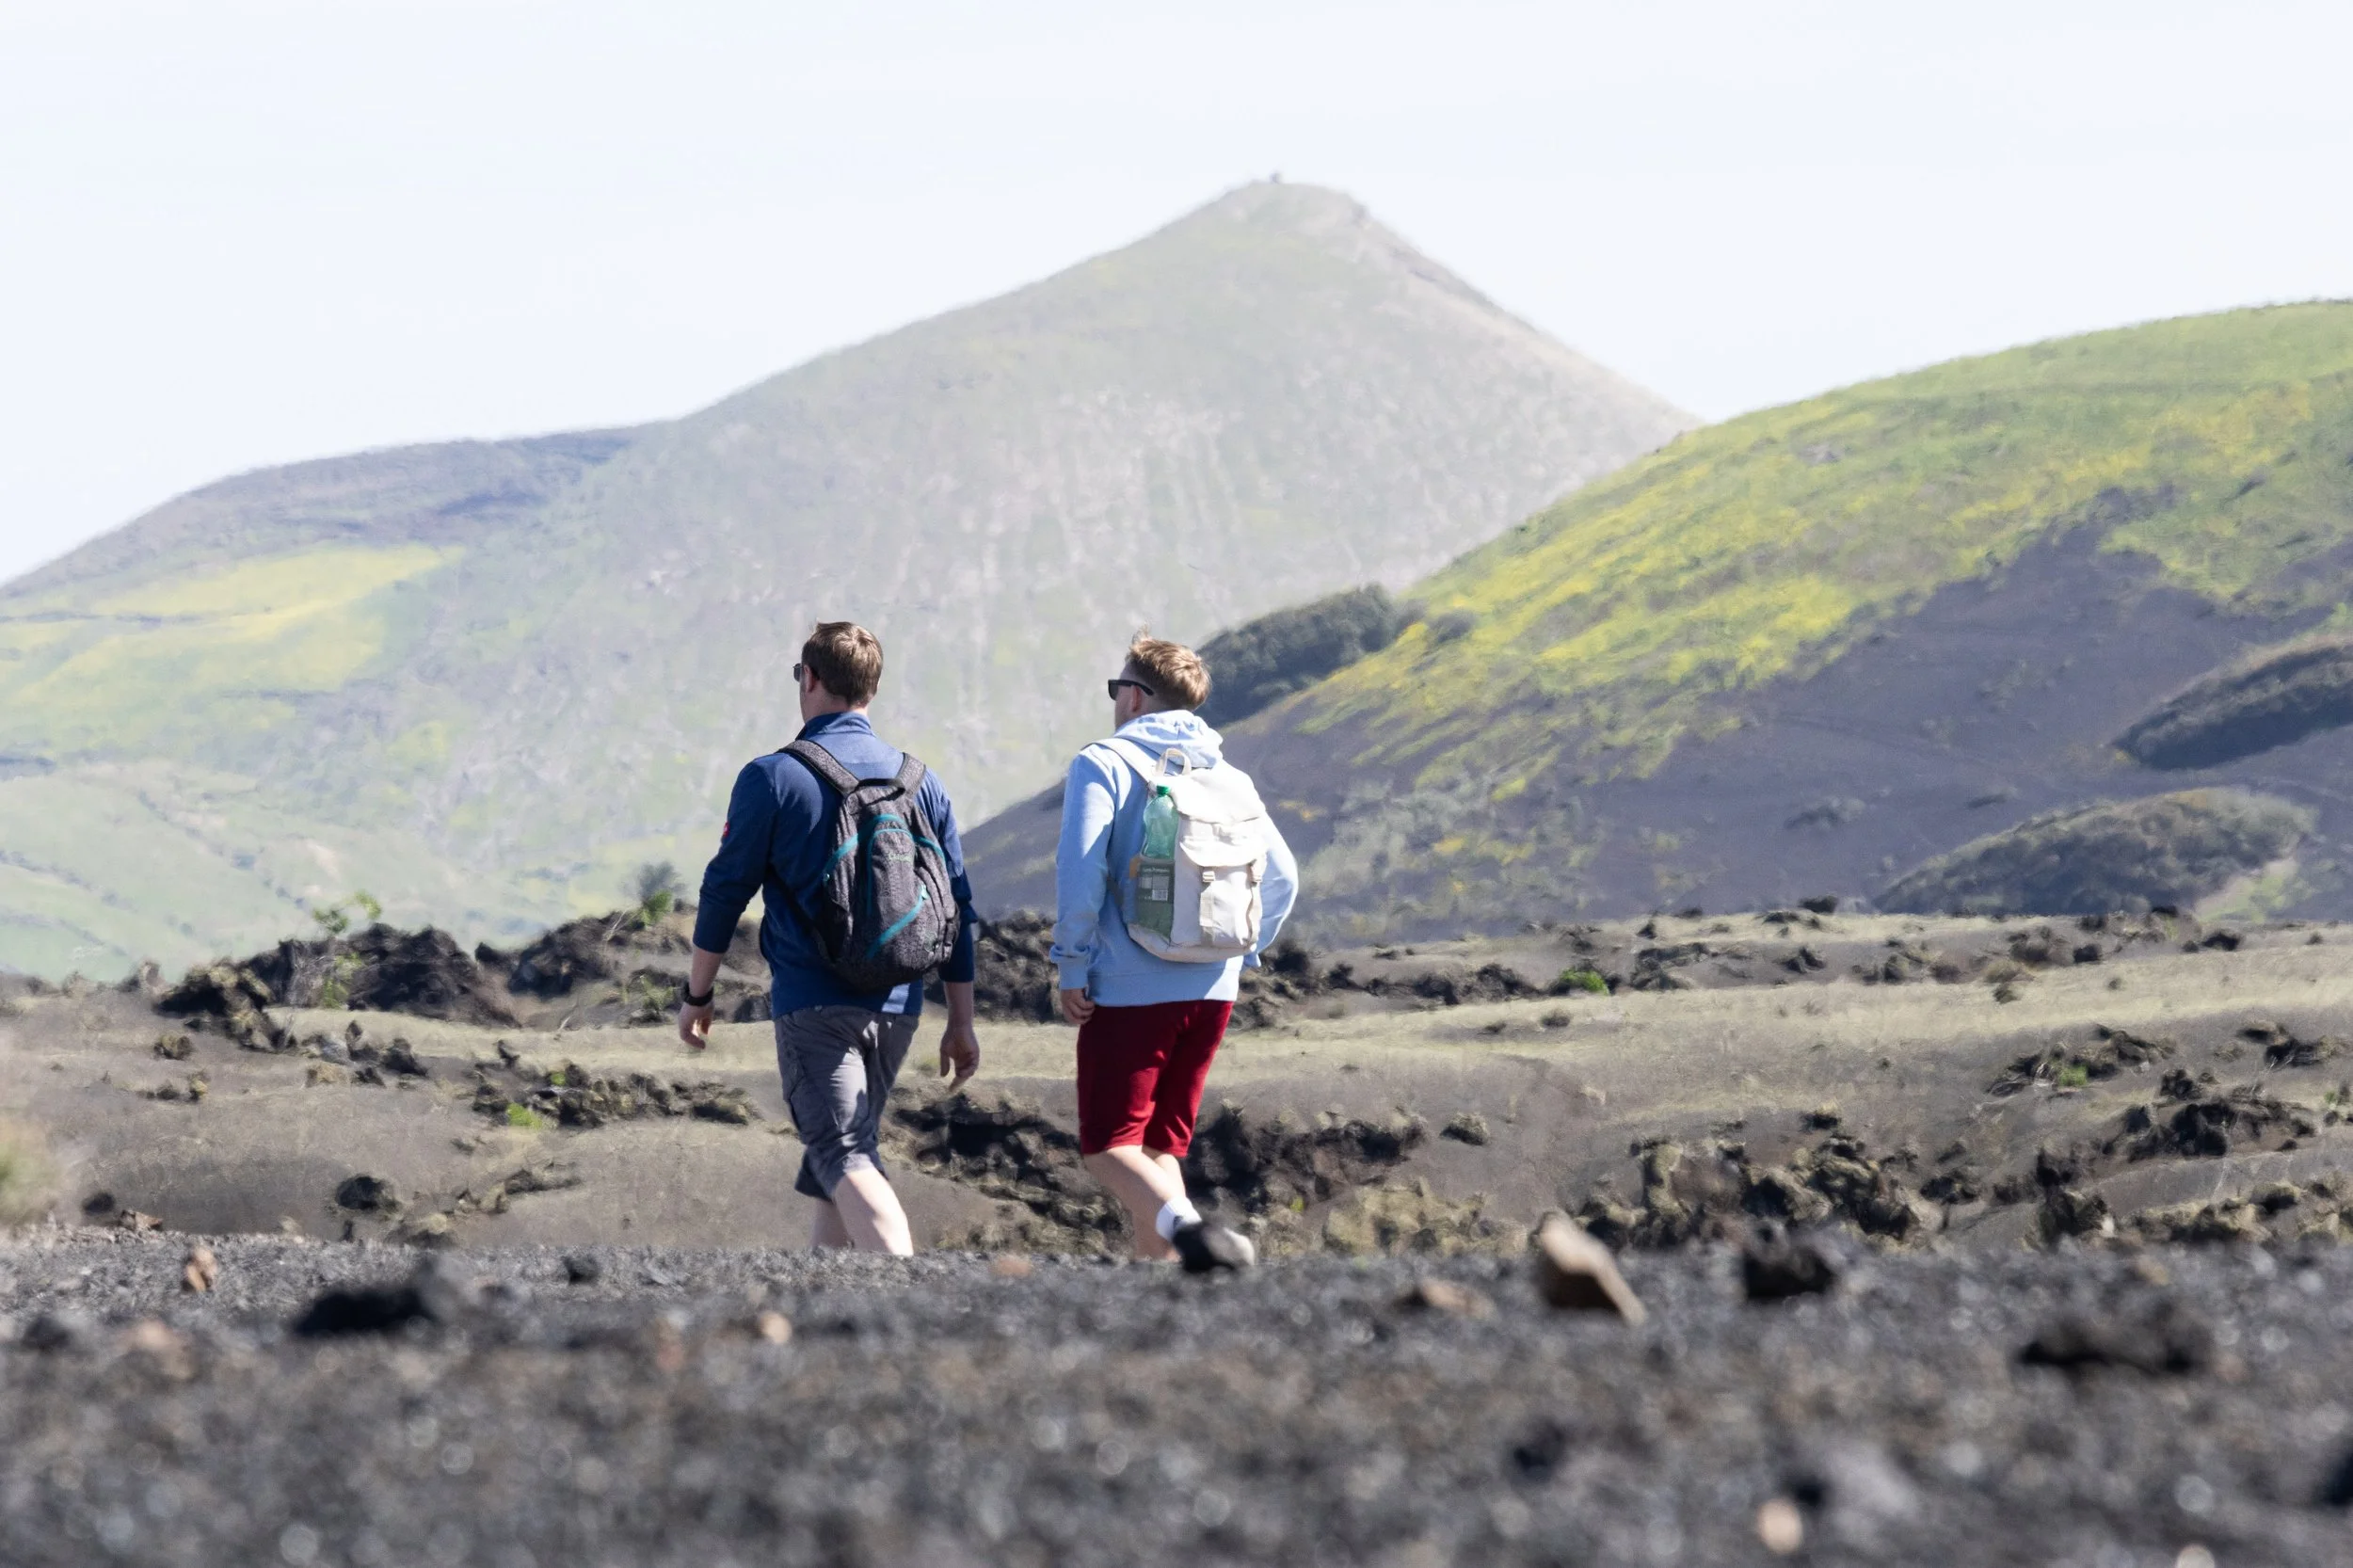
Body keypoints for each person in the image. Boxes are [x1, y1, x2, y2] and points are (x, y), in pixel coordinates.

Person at [679, 620, 982, 1255]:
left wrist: (697, 995)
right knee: (836, 1162)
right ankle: (834, 1315)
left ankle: (904, 1290)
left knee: (842, 1151)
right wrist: (960, 1021)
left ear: (810, 679)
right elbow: (959, 908)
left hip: (815, 1004)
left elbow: (724, 893)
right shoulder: (924, 783)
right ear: (872, 688)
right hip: (900, 1006)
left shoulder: (772, 778)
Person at [1050, 633, 1299, 1267]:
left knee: (1109, 1145)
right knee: (1159, 1150)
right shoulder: (1230, 775)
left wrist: (1073, 965)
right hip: (1211, 990)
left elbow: (1082, 874)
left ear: (1133, 697)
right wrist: (1240, 952)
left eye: (1117, 689)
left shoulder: (1102, 763)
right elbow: (1283, 878)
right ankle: (1165, 1286)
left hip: (1131, 989)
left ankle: (1198, 1233)